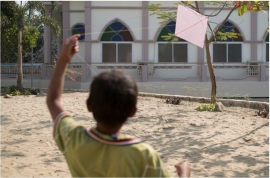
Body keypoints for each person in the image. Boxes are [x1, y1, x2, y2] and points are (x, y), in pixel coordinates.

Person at [46, 34, 190, 177]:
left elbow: (53, 101)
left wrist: (64, 59)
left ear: (88, 105)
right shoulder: (144, 155)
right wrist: (184, 174)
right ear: (133, 112)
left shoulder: (74, 138)